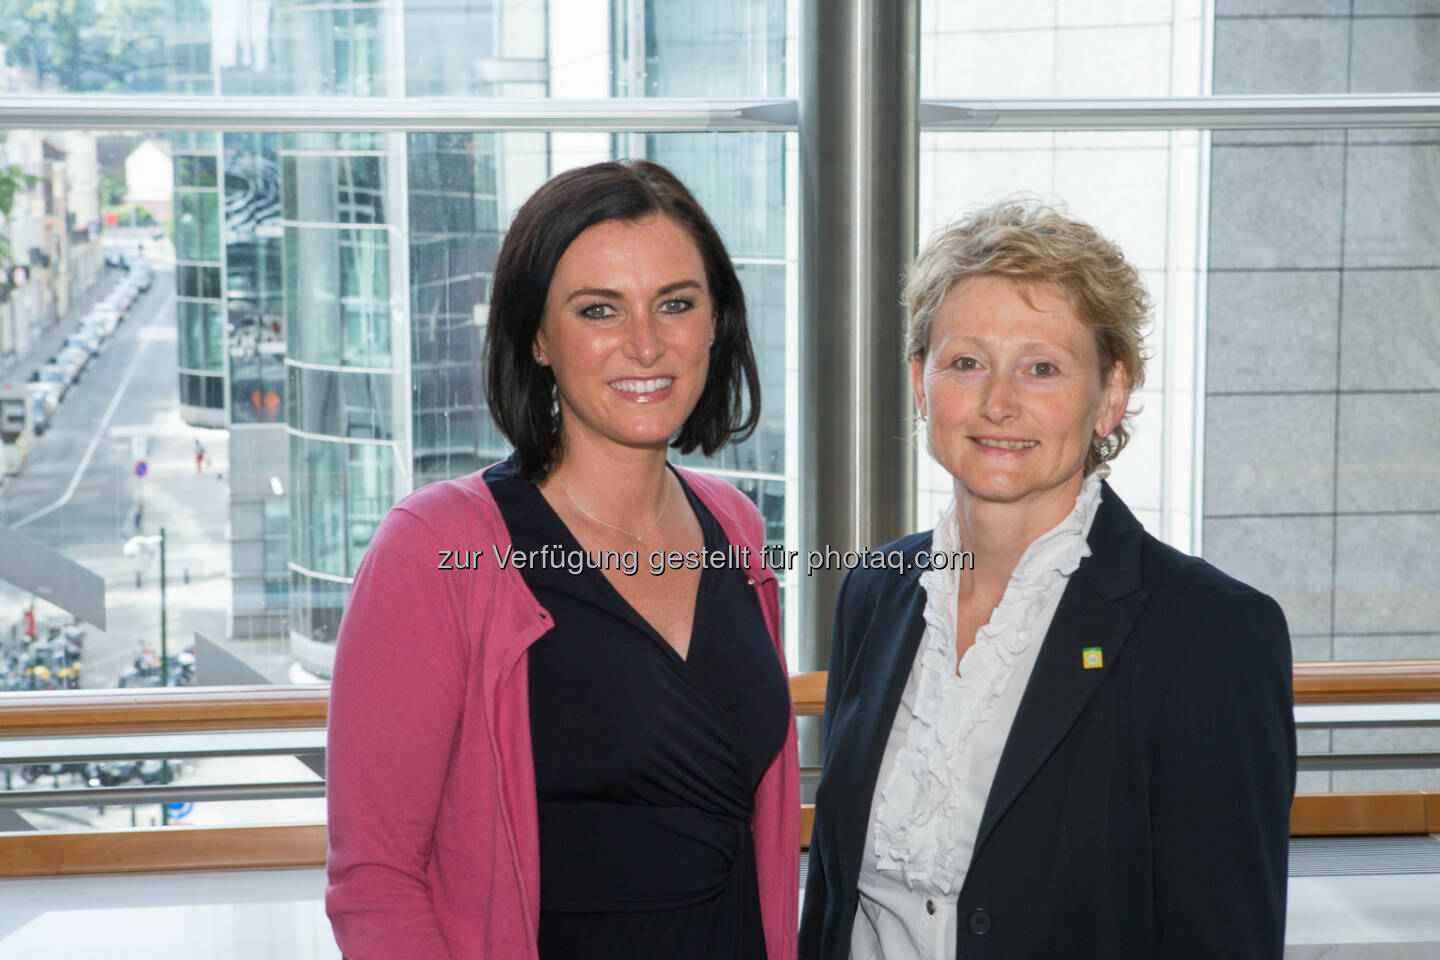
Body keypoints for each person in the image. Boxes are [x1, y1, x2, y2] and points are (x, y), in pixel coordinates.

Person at [326, 160, 799, 960]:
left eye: (675, 304)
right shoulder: (438, 548)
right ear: (538, 337)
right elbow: (375, 880)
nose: (645, 344)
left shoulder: (737, 528)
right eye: (599, 310)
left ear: (716, 321)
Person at [799, 200, 1296, 959]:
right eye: (966, 363)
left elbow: (1224, 936)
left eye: (1042, 367)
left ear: (1110, 395)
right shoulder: (875, 591)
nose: (998, 403)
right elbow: (836, 901)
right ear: (919, 383)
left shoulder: (1210, 633)